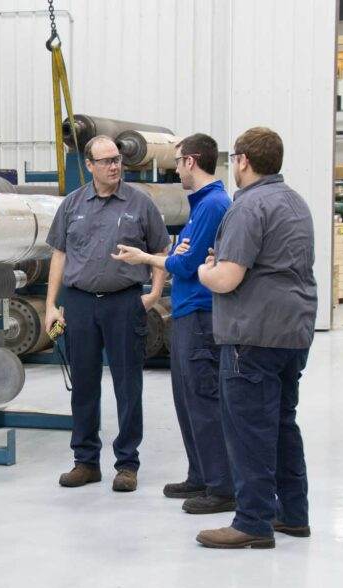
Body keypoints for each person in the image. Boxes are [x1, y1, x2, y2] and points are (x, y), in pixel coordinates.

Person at [194, 127, 317, 549]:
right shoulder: (294, 202)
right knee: (282, 423)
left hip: (254, 335)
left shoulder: (248, 207)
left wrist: (202, 270)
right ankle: (293, 513)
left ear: (244, 160)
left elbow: (227, 279)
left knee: (249, 429)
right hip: (293, 331)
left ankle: (252, 521)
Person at [112, 134, 235, 513]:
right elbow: (183, 255)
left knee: (202, 400)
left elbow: (185, 264)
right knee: (186, 401)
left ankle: (221, 486)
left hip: (200, 313)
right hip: (186, 312)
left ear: (192, 162)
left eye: (178, 160)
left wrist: (146, 258)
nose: (175, 167)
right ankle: (200, 474)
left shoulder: (213, 204)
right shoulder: (201, 205)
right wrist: (174, 255)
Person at [45, 135, 170, 493]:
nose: (114, 166)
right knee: (83, 384)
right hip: (81, 303)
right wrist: (52, 304)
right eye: (106, 161)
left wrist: (156, 293)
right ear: (90, 166)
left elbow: (162, 247)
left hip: (124, 302)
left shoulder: (139, 203)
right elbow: (59, 254)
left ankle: (127, 464)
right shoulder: (72, 205)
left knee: (127, 384)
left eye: (117, 160)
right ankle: (85, 461)